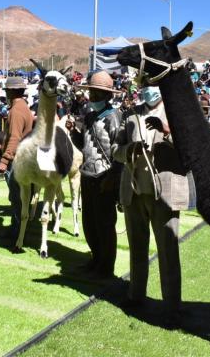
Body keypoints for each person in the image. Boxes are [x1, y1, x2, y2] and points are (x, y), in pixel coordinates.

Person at [112, 85, 189, 323]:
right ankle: (136, 295)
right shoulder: (130, 114)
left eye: (152, 83)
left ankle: (172, 306)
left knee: (168, 250)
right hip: (134, 191)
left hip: (163, 193)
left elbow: (189, 147)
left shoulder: (177, 112)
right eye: (143, 83)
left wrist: (166, 131)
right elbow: (115, 149)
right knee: (137, 246)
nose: (148, 89)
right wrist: (128, 151)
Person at [69, 71, 123, 278]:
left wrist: (113, 179)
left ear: (107, 96)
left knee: (105, 224)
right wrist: (74, 132)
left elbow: (118, 152)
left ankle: (106, 267)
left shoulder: (113, 118)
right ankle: (95, 259)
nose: (92, 96)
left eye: (97, 93)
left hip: (104, 176)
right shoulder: (90, 116)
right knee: (89, 222)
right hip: (88, 174)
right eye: (92, 92)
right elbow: (84, 146)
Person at [0, 77, 33, 239]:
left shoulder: (16, 110)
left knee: (17, 197)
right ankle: (17, 227)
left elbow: (15, 137)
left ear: (11, 91)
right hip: (23, 158)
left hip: (16, 161)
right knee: (20, 196)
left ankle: (17, 231)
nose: (6, 92)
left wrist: (4, 160)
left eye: (7, 90)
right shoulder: (23, 107)